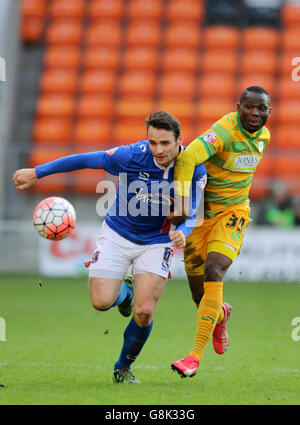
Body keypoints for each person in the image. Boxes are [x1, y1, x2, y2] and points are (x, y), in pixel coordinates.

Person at [13, 110, 207, 384]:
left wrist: (183, 232)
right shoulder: (132, 155)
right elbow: (88, 159)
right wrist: (37, 172)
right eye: (153, 142)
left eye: (165, 143)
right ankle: (125, 295)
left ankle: (123, 367)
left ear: (180, 140)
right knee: (101, 302)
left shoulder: (194, 166)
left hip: (157, 241)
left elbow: (194, 210)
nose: (158, 150)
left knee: (145, 312)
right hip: (118, 233)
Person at [169, 86, 272, 378]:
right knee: (199, 296)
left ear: (269, 112)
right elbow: (187, 158)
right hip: (199, 218)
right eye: (249, 107)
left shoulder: (264, 136)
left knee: (215, 270)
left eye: (261, 108)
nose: (255, 113)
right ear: (238, 106)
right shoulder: (224, 131)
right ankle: (220, 314)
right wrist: (181, 203)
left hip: (233, 214)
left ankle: (193, 357)